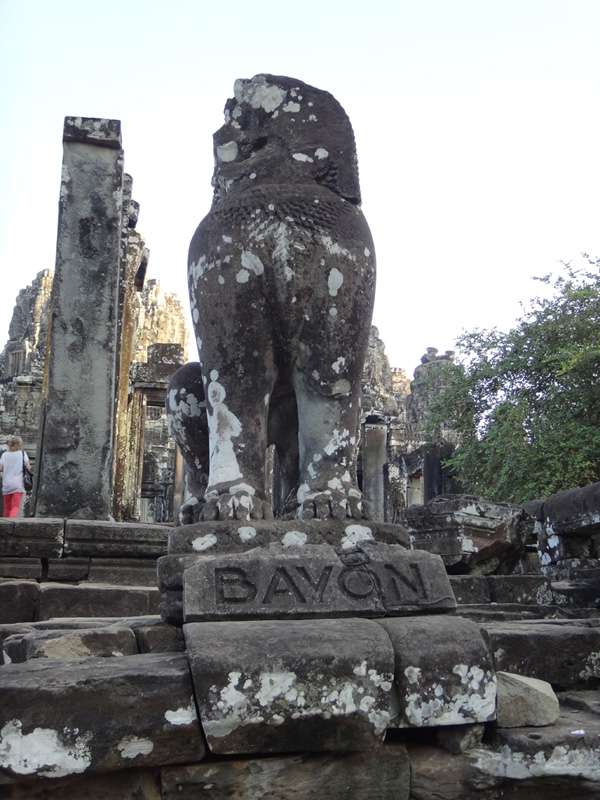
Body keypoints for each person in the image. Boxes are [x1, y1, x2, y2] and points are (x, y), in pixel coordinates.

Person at [0, 435, 30, 518]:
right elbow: (27, 467)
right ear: (20, 444)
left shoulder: (5, 455)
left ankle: (5, 524)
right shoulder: (23, 454)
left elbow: (0, 468)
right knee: (15, 506)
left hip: (7, 483)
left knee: (7, 507)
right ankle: (12, 522)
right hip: (18, 483)